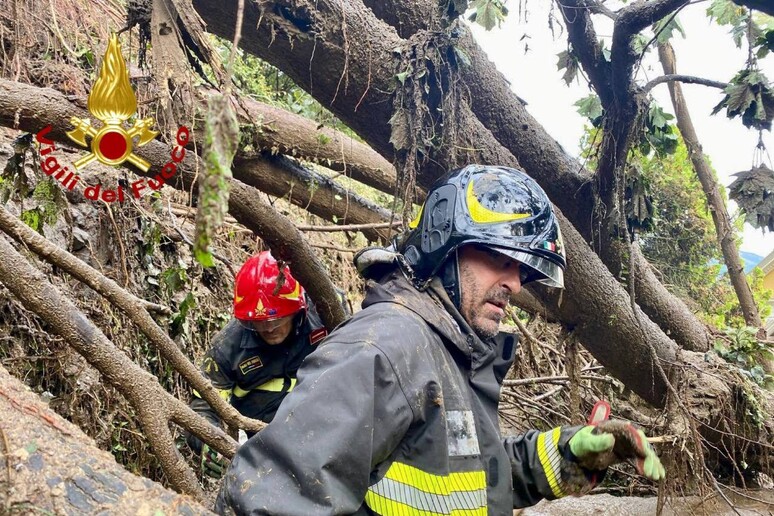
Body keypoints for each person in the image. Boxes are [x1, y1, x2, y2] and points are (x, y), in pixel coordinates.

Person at [215, 165, 665, 514]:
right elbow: (270, 502)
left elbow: (469, 474)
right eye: (499, 258)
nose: (514, 282)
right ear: (443, 248)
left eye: (523, 270)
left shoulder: (443, 352)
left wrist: (569, 453)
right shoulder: (384, 349)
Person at [186, 251, 344, 478]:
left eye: (277, 319)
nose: (269, 329)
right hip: (263, 446)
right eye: (258, 323)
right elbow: (203, 407)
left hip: (324, 427)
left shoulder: (325, 311)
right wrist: (210, 440)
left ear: (298, 311)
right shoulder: (227, 349)